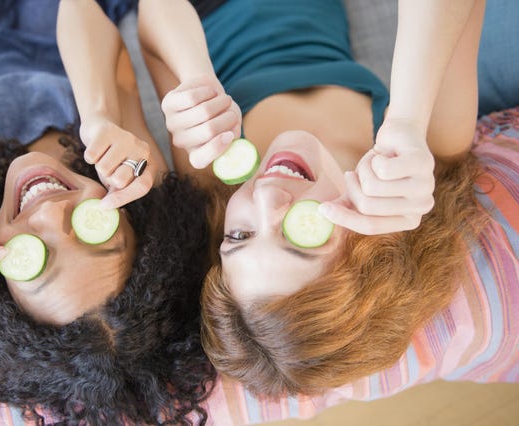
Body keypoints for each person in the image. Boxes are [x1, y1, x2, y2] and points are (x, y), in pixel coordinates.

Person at [0, 0, 215, 424]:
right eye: (93, 230)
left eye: (34, 258)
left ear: (3, 295)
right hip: (55, 31)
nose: (50, 214)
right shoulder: (135, 183)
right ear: (131, 223)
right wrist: (99, 115)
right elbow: (82, 9)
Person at [137, 0, 489, 396]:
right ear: (371, 250)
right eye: (299, 235)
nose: (266, 196)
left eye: (239, 237)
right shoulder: (421, 160)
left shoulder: (212, 175)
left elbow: (154, 12)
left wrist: (195, 80)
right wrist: (408, 119)